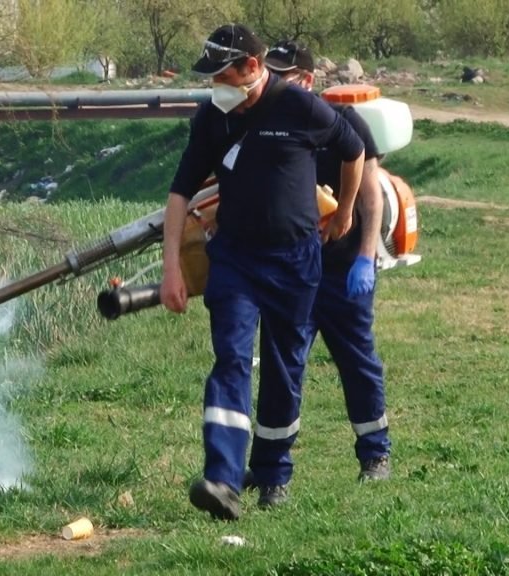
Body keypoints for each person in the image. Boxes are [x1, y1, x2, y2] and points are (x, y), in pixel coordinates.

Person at [160, 23, 365, 520]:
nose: (217, 86)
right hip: (234, 257)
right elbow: (179, 194)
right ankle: (223, 479)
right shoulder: (212, 117)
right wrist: (171, 267)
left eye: (224, 75)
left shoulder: (300, 106)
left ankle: (274, 474)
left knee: (284, 368)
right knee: (230, 358)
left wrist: (344, 213)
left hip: (295, 261)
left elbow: (353, 148)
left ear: (252, 68)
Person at [256, 40, 392, 483]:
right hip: (290, 275)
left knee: (357, 362)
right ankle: (270, 471)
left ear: (308, 81)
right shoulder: (263, 125)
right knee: (281, 371)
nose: (275, 84)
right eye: (270, 75)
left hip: (339, 270)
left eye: (285, 76)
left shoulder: (343, 122)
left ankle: (375, 456)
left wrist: (365, 258)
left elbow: (369, 192)